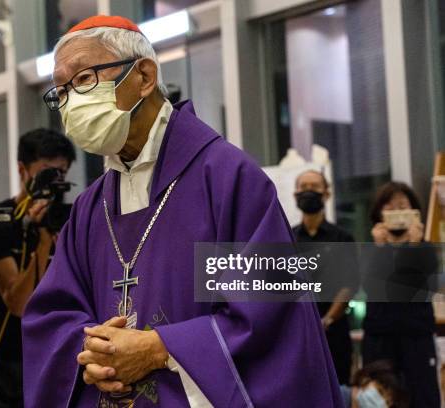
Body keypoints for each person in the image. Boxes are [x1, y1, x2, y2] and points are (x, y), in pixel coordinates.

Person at [22, 15, 342, 407]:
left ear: (144, 76)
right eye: (61, 92)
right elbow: (52, 316)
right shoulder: (91, 208)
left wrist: (161, 348)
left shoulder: (226, 179)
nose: (71, 101)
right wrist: (92, 354)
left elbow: (271, 315)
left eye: (85, 79)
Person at [0, 128, 75, 407]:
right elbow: (19, 305)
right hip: (11, 358)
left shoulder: (71, 218)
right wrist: (42, 242)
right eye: (46, 173)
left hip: (59, 350)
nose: (54, 182)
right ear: (22, 170)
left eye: (62, 173)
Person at [363, 181, 440, 407]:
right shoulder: (371, 248)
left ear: (414, 212)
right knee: (379, 399)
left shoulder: (424, 249)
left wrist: (413, 247)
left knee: (423, 396)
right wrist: (382, 249)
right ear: (379, 213)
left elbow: (426, 286)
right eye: (389, 206)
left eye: (402, 206)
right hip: (380, 335)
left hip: (416, 334)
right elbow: (371, 286)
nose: (396, 212)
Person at [292, 170, 356, 384]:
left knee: (337, 389)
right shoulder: (286, 237)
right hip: (296, 333)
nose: (308, 192)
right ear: (295, 195)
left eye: (315, 187)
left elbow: (349, 284)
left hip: (334, 331)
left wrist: (327, 319)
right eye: (303, 187)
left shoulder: (343, 238)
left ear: (327, 194)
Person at [340, 360, 409, 408]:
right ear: (365, 378)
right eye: (380, 392)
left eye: (387, 403)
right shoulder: (334, 396)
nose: (380, 403)